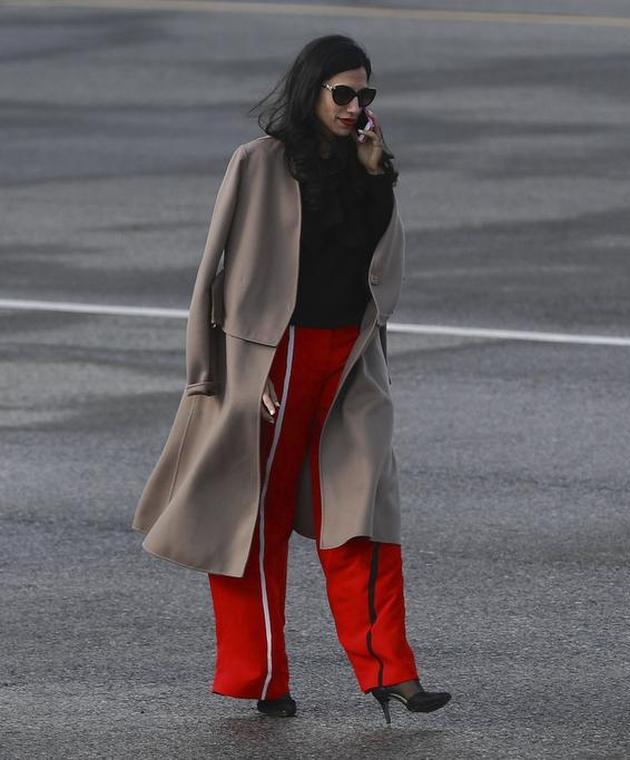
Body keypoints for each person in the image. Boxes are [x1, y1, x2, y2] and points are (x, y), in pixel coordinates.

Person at [131, 34, 450, 724]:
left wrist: (375, 172)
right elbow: (218, 273)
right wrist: (235, 367)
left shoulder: (368, 167)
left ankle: (391, 670)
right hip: (276, 358)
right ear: (311, 91)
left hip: (348, 361)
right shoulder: (260, 163)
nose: (354, 106)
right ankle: (262, 674)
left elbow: (372, 265)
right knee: (253, 519)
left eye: (364, 95)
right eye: (343, 93)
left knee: (362, 513)